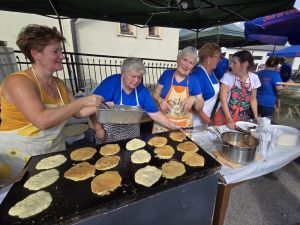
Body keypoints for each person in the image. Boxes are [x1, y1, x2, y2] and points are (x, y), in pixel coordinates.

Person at [0, 25, 102, 169]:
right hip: (19, 161)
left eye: (61, 50)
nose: (62, 56)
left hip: (53, 155)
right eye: (55, 51)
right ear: (36, 54)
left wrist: (105, 106)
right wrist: (83, 101)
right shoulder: (18, 82)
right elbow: (42, 120)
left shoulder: (58, 83)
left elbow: (78, 113)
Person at [91, 58, 181, 142]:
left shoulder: (142, 91)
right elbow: (92, 107)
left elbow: (155, 114)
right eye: (133, 76)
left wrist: (175, 126)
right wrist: (98, 128)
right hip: (109, 133)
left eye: (139, 77)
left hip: (132, 133)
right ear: (123, 73)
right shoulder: (111, 84)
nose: (136, 81)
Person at [152, 46, 204, 133]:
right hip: (163, 124)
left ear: (193, 66)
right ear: (178, 59)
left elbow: (200, 106)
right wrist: (160, 100)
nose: (186, 65)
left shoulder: (194, 80)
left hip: (182, 127)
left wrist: (194, 99)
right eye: (184, 60)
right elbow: (155, 93)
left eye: (191, 63)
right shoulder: (167, 74)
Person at [213, 50, 261, 129]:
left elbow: (253, 99)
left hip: (242, 118)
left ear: (245, 64)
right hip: (224, 116)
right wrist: (229, 119)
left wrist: (256, 117)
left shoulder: (254, 78)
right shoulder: (227, 76)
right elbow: (223, 100)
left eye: (234, 63)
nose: (231, 65)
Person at [191, 43, 221, 125]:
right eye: (217, 57)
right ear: (208, 58)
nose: (219, 60)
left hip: (205, 117)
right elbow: (194, 103)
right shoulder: (198, 75)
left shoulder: (211, 72)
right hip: (195, 120)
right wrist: (204, 117)